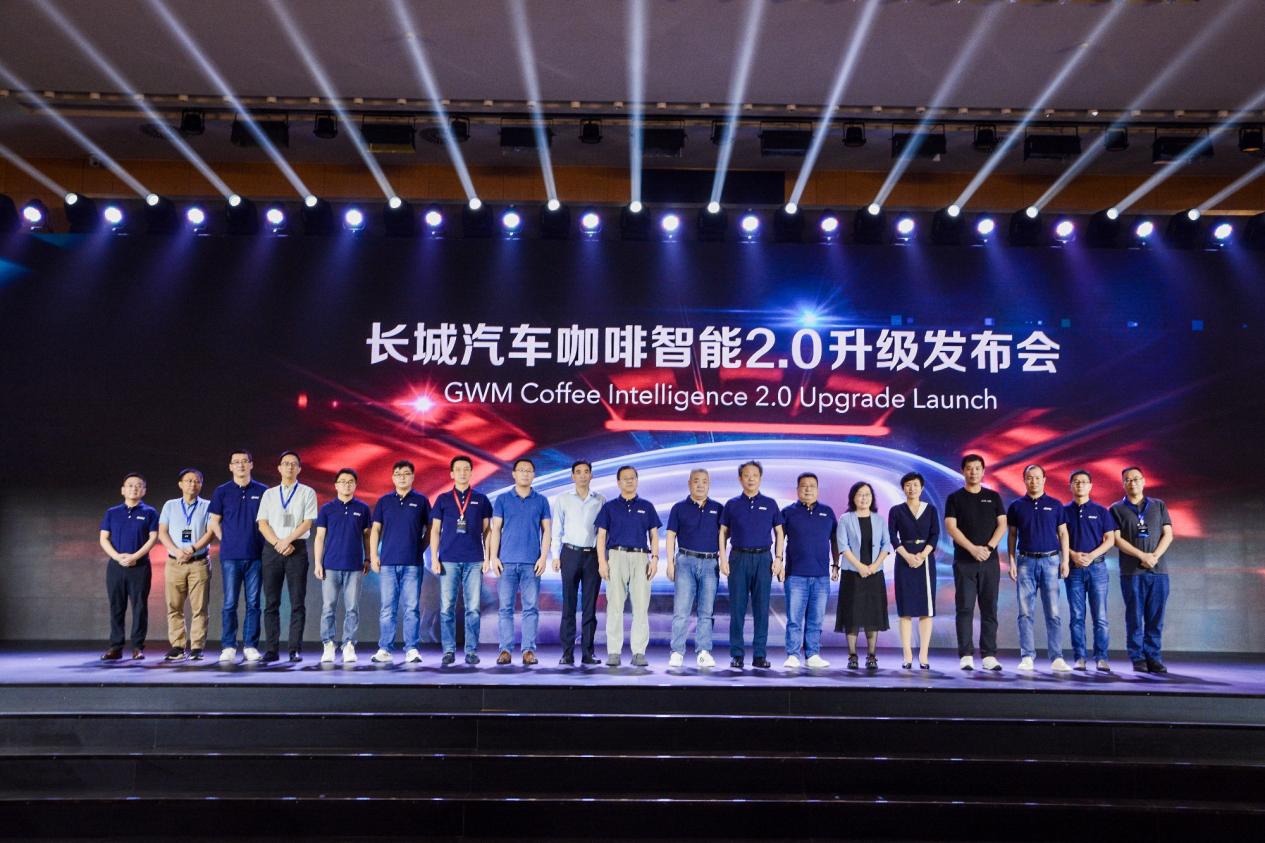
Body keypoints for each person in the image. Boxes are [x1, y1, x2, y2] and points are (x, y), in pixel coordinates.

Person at [943, 454, 1008, 672]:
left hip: (989, 561)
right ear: (963, 471)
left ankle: (989, 655)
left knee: (989, 608)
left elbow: (1002, 525)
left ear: (983, 471)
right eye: (969, 468)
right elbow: (951, 527)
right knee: (965, 608)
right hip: (964, 561)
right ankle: (966, 655)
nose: (973, 472)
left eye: (977, 468)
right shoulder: (955, 498)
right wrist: (972, 549)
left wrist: (988, 548)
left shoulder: (993, 496)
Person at [719, 460, 785, 670]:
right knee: (737, 608)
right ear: (740, 479)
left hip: (763, 559)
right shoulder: (732, 504)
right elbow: (723, 532)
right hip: (738, 558)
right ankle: (737, 654)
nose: (750, 479)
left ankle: (759, 655)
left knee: (761, 608)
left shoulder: (770, 503)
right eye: (746, 475)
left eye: (754, 475)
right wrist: (723, 558)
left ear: (760, 478)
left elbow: (779, 532)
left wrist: (778, 558)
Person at [1006, 464, 1071, 673]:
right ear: (1024, 480)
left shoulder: (1056, 504)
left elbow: (1063, 534)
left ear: (1044, 479)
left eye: (1037, 477)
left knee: (1053, 612)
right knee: (1025, 612)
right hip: (1025, 562)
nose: (1033, 481)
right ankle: (1027, 656)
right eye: (1029, 478)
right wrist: (1011, 561)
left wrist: (1065, 561)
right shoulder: (1016, 506)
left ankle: (1057, 657)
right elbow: (1012, 535)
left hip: (1051, 562)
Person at [595, 465, 660, 667]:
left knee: (641, 607)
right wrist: (602, 561)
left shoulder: (647, 506)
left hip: (641, 558)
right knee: (614, 606)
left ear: (637, 480)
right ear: (618, 482)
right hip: (616, 556)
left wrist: (655, 559)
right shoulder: (610, 507)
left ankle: (639, 652)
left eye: (633, 477)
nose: (629, 481)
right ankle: (613, 652)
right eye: (625, 478)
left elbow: (654, 535)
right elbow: (601, 536)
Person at [256, 450, 318, 663]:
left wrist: (288, 540)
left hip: (296, 549)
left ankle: (294, 650)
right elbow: (262, 523)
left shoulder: (307, 492)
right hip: (272, 548)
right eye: (285, 463)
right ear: (279, 468)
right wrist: (277, 543)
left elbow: (307, 522)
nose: (289, 467)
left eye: (293, 464)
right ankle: (271, 650)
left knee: (297, 602)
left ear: (299, 468)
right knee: (271, 602)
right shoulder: (269, 494)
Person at [1111, 466, 1174, 674]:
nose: (1133, 483)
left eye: (1136, 479)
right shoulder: (1116, 509)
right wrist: (1142, 556)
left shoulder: (1158, 505)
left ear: (1144, 481)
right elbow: (1117, 540)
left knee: (1156, 617)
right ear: (1123, 483)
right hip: (1132, 572)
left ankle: (1154, 657)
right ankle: (1137, 658)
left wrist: (1154, 556)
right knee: (1135, 617)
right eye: (1128, 480)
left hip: (1159, 571)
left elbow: (1168, 534)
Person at [489, 458, 552, 666]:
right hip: (506, 562)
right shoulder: (503, 499)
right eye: (521, 470)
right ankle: (505, 650)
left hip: (531, 563)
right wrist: (493, 557)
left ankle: (528, 651)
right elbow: (496, 530)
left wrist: (543, 557)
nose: (525, 473)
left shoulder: (541, 500)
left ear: (534, 475)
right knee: (505, 609)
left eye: (529, 470)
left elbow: (547, 531)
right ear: (514, 474)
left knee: (530, 608)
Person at [430, 455, 492, 666]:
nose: (462, 472)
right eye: (458, 469)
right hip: (448, 559)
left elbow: (487, 530)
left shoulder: (481, 499)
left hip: (474, 560)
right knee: (446, 607)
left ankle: (471, 651)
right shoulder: (443, 499)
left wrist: (488, 557)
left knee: (473, 608)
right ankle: (448, 650)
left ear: (471, 472)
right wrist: (434, 558)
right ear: (451, 474)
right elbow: (435, 530)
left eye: (466, 469)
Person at [207, 449, 266, 664]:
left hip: (256, 555)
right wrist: (226, 539)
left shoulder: (263, 491)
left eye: (244, 461)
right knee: (230, 603)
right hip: (230, 556)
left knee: (254, 603)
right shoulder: (222, 491)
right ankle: (229, 646)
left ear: (251, 464)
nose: (240, 465)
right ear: (230, 466)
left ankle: (250, 646)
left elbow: (268, 521)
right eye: (236, 462)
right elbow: (214, 521)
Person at [369, 460, 430, 665]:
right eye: (398, 474)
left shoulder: (421, 501)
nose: (402, 477)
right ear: (393, 478)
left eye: (406, 473)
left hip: (412, 563)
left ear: (412, 477)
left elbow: (431, 528)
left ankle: (411, 648)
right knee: (388, 608)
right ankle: (385, 649)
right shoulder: (384, 501)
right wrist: (374, 556)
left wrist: (420, 548)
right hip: (387, 563)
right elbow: (376, 530)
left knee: (411, 608)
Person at [664, 468, 723, 668]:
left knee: (706, 611)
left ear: (709, 484)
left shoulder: (718, 508)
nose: (700, 485)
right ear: (689, 483)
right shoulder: (679, 508)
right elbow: (670, 535)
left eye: (704, 481)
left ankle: (703, 652)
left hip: (710, 563)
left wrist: (724, 560)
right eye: (696, 481)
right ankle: (677, 652)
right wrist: (670, 563)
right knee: (681, 610)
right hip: (685, 561)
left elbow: (724, 536)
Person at [780, 473, 839, 670]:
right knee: (794, 619)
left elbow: (835, 540)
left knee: (816, 619)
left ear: (818, 489)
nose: (808, 489)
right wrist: (779, 563)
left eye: (812, 486)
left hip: (821, 576)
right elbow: (779, 539)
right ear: (797, 489)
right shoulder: (788, 512)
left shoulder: (827, 512)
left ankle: (812, 654)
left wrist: (836, 565)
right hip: (795, 575)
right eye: (804, 486)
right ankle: (793, 655)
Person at [98, 473, 159, 661]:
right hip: (116, 566)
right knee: (117, 606)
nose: (134, 488)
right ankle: (115, 647)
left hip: (140, 567)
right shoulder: (112, 512)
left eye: (139, 485)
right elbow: (103, 538)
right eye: (130, 485)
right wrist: (117, 557)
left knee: (139, 607)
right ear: (123, 490)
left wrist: (135, 557)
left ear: (144, 490)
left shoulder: (150, 512)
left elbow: (153, 538)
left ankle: (138, 647)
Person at [314, 468, 372, 664]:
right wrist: (318, 563)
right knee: (328, 607)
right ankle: (328, 645)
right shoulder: (327, 509)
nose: (346, 485)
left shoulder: (363, 509)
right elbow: (319, 537)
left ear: (355, 485)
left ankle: (348, 645)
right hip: (330, 566)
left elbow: (366, 536)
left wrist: (368, 558)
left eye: (350, 482)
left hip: (354, 566)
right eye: (343, 481)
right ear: (336, 485)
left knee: (352, 608)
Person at [550, 460, 605, 665]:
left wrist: (603, 559)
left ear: (591, 475)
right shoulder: (563, 499)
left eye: (586, 471)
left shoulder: (600, 500)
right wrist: (555, 555)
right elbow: (557, 528)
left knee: (590, 607)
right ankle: (567, 653)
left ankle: (588, 652)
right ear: (572, 476)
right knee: (569, 605)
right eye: (578, 472)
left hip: (592, 556)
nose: (582, 475)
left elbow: (603, 533)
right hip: (570, 553)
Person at [157, 468, 213, 661]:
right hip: (175, 562)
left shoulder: (208, 506)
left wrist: (192, 548)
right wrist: (176, 550)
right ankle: (178, 646)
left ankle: (197, 647)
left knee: (200, 607)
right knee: (174, 606)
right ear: (180, 484)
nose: (192, 484)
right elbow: (162, 532)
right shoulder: (170, 505)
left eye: (197, 481)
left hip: (199, 562)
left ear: (201, 485)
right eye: (188, 481)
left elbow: (211, 532)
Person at [1064, 470, 1118, 673]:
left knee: (1100, 617)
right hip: (1074, 569)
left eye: (1084, 482)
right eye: (1076, 482)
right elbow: (1058, 537)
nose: (1080, 485)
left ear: (1091, 486)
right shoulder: (1063, 511)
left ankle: (1101, 658)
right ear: (1070, 486)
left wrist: (1091, 556)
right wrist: (1073, 555)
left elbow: (1110, 539)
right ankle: (1079, 657)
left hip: (1098, 568)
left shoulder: (1101, 511)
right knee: (1076, 616)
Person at [835, 481, 892, 669]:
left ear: (872, 498)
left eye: (867, 494)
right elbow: (843, 546)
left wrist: (874, 566)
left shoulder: (879, 520)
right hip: (852, 574)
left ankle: (871, 655)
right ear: (853, 497)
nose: (864, 498)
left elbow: (886, 545)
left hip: (874, 574)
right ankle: (852, 656)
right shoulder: (845, 519)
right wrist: (860, 566)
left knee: (872, 616)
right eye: (860, 494)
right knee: (852, 616)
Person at [890, 472, 939, 669]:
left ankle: (924, 655)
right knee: (905, 610)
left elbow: (935, 535)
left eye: (915, 485)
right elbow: (892, 536)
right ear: (903, 488)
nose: (912, 488)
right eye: (908, 485)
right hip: (904, 560)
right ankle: (907, 655)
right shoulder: (896, 510)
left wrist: (922, 555)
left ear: (922, 488)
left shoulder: (931, 510)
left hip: (925, 560)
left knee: (926, 610)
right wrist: (907, 556)